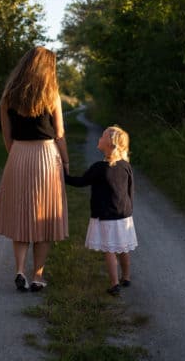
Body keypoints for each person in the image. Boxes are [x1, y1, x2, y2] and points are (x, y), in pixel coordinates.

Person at [0, 46, 69, 293]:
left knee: (21, 217)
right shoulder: (51, 94)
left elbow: (7, 137)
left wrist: (16, 156)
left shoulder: (8, 97)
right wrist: (65, 162)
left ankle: (19, 271)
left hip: (18, 155)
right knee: (44, 218)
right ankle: (37, 276)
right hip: (46, 155)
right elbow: (59, 134)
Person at [64, 125, 137, 296]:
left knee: (109, 250)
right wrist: (129, 210)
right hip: (124, 215)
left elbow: (81, 181)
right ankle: (126, 277)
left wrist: (63, 175)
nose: (99, 138)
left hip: (105, 215)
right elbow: (130, 191)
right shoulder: (126, 166)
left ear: (110, 144)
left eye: (102, 136)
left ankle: (114, 284)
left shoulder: (99, 168)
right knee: (123, 247)